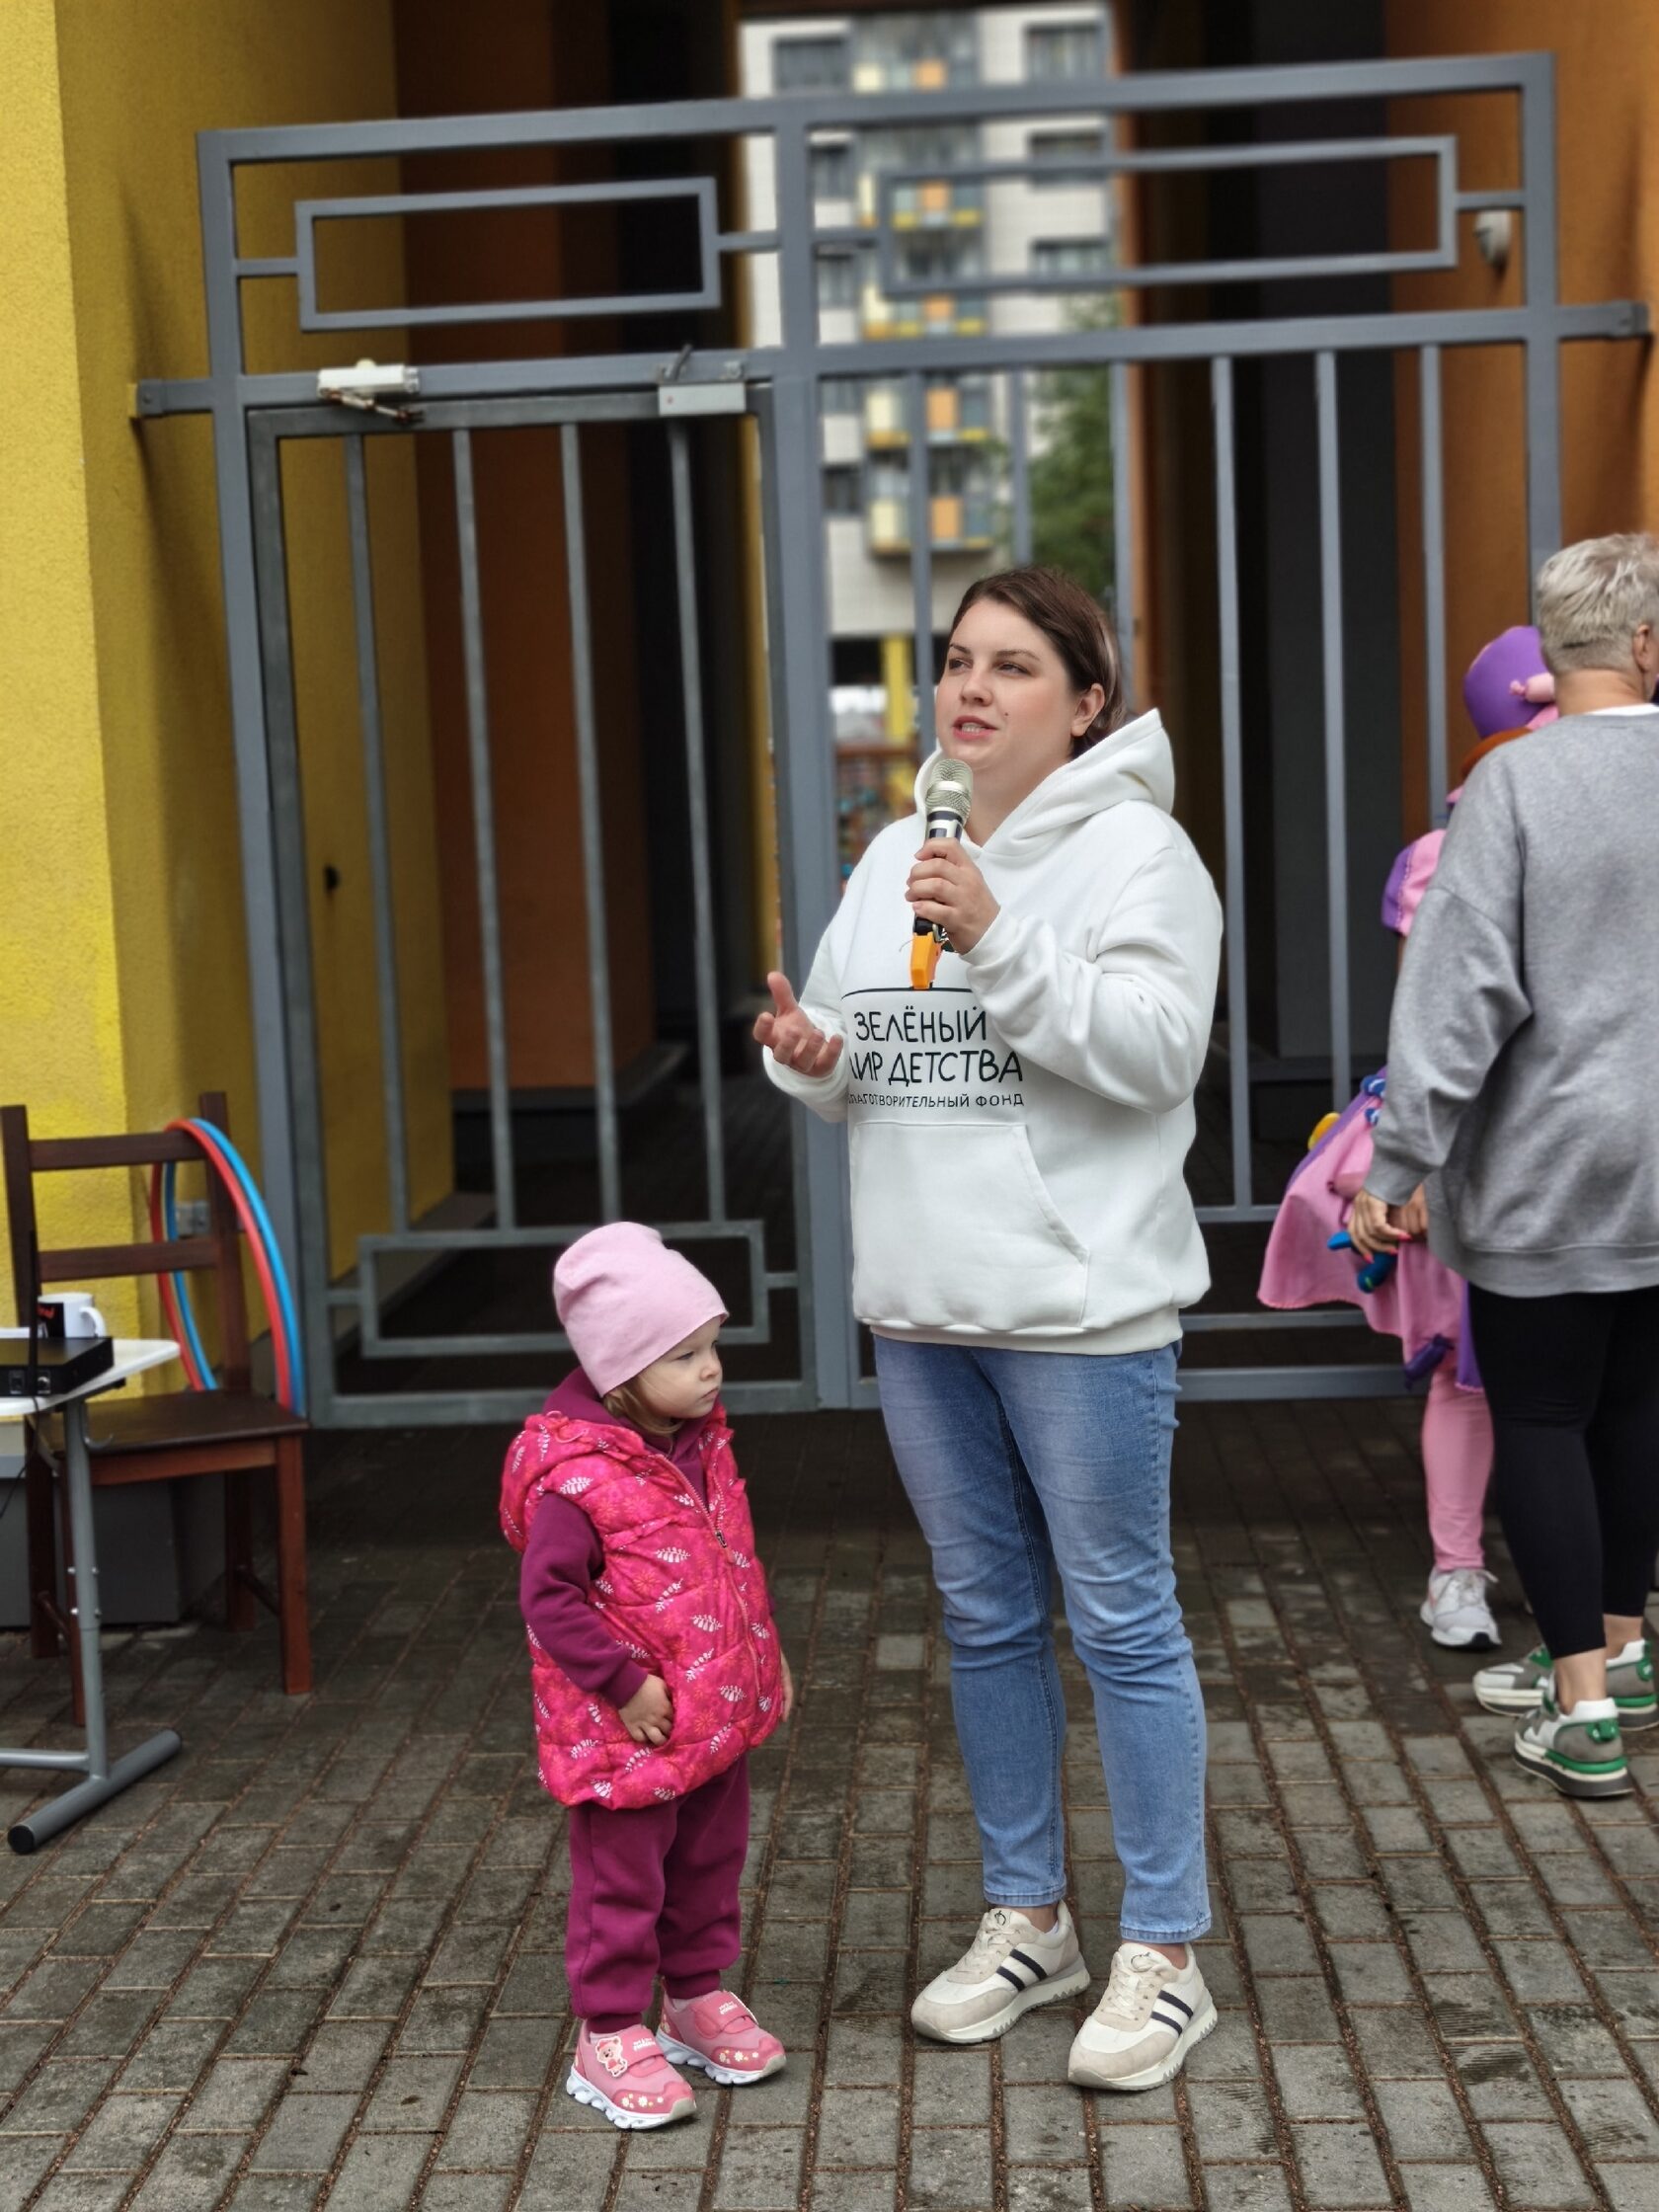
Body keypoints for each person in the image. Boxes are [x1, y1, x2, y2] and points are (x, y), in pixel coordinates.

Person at [757, 566, 1223, 2093]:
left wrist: (1004, 938)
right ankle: (1032, 1920)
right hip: (923, 1307)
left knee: (1123, 1621)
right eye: (958, 660)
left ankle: (1166, 1953)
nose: (970, 687)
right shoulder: (900, 849)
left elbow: (1155, 1054)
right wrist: (810, 1053)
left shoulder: (1143, 857)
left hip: (1082, 1313)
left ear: (1087, 703)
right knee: (986, 1619)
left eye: (1013, 665)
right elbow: (865, 1059)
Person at [1351, 532, 1659, 1801]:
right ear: (1647, 643)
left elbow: (1458, 995)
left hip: (1545, 1166)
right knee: (1637, 1407)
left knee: (1540, 1415)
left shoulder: (1514, 787)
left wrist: (1397, 1161)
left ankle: (1581, 1703)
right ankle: (1627, 1652)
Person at [1258, 625, 1560, 1654]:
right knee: (1468, 1370)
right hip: (1475, 1148)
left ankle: (1583, 1581)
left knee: (1578, 1372)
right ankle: (1458, 1569)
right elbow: (1432, 1025)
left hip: (1573, 1146)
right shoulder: (1446, 855)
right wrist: (1420, 1160)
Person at [499, 1224, 794, 2129]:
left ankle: (694, 1997)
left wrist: (766, 1655)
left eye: (712, 1345)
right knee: (622, 1884)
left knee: (709, 1861)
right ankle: (608, 2032)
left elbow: (731, 1564)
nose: (712, 1369)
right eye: (685, 1355)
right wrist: (622, 1685)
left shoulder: (699, 1443)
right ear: (621, 1372)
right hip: (625, 1727)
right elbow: (549, 1601)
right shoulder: (576, 1478)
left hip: (713, 1711)